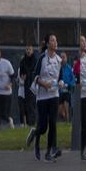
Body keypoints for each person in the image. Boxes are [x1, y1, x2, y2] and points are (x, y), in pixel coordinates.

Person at [32, 33, 64, 161]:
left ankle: (50, 151)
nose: (55, 42)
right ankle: (35, 134)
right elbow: (35, 76)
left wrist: (61, 82)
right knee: (43, 126)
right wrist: (43, 83)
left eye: (56, 40)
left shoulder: (59, 60)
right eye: (52, 40)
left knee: (53, 123)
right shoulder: (42, 58)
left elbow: (60, 76)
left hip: (54, 95)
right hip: (43, 96)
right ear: (48, 44)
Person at [0, 46, 15, 130]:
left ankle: (9, 120)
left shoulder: (6, 63)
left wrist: (10, 84)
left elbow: (12, 76)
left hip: (6, 93)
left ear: (0, 54)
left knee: (4, 114)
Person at [18, 44, 38, 129]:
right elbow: (21, 71)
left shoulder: (36, 60)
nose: (28, 51)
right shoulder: (23, 61)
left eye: (30, 49)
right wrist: (22, 75)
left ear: (32, 50)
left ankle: (32, 123)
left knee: (32, 104)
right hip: (26, 85)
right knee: (26, 104)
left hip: (33, 84)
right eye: (27, 49)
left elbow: (37, 71)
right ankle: (28, 123)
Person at [59, 52, 74, 122]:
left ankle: (67, 123)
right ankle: (64, 120)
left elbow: (73, 79)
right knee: (60, 112)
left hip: (67, 92)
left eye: (64, 57)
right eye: (61, 57)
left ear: (66, 58)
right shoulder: (57, 67)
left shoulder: (69, 68)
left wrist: (70, 84)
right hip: (59, 92)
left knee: (66, 108)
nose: (62, 59)